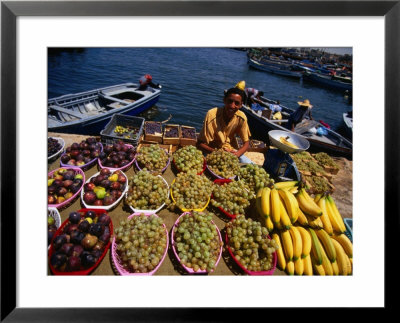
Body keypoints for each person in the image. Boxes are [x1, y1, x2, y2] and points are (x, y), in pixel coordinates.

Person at [198, 87, 253, 164]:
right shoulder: (211, 114)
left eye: (236, 103)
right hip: (211, 151)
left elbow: (246, 143)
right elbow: (200, 144)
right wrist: (218, 153)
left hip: (230, 151)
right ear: (224, 100)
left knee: (249, 164)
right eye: (230, 101)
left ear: (241, 105)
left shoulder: (242, 117)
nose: (232, 106)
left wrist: (238, 153)